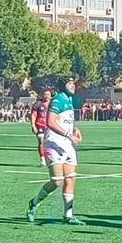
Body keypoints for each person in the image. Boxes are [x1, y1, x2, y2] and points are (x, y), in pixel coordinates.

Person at [27, 77, 84, 226]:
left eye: (73, 83)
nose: (73, 86)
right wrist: (68, 134)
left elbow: (65, 121)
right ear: (62, 85)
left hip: (67, 144)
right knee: (57, 181)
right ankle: (34, 203)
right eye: (70, 83)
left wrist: (74, 129)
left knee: (70, 178)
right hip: (54, 143)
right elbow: (51, 122)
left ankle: (68, 216)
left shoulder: (69, 100)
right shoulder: (58, 99)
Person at [30, 88, 51, 162]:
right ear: (42, 95)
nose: (46, 96)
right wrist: (33, 125)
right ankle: (42, 158)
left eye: (48, 94)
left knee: (50, 142)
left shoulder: (53, 103)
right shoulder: (38, 104)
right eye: (45, 94)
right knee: (41, 141)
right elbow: (33, 115)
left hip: (50, 126)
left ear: (50, 95)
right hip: (40, 125)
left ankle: (49, 157)